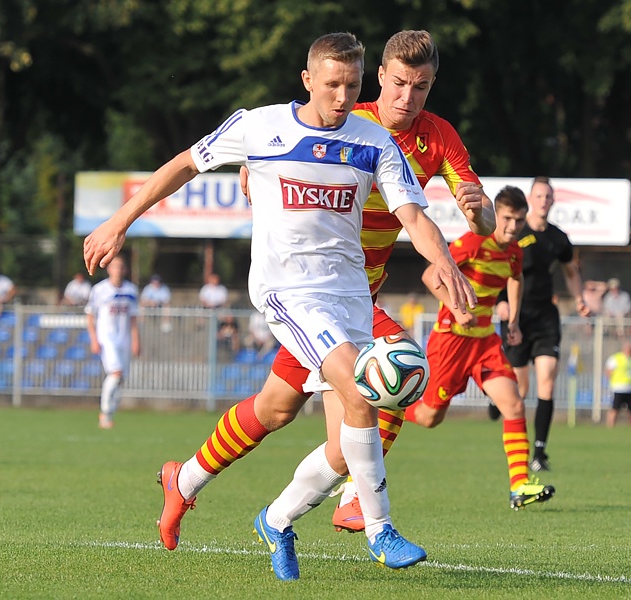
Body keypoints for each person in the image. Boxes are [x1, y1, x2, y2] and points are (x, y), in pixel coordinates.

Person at [82, 32, 480, 581]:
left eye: (352, 85)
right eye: (333, 84)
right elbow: (183, 165)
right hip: (289, 292)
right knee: (366, 392)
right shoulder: (260, 126)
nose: (342, 96)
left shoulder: (374, 142)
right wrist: (118, 220)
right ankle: (378, 526)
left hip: (350, 298)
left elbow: (414, 216)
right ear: (308, 80)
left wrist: (446, 262)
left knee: (283, 414)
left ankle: (213, 492)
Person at [407, 185, 555, 508]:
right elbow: (431, 275)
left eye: (518, 220)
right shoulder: (474, 242)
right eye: (506, 219)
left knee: (514, 405)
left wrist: (513, 321)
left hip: (485, 342)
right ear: (496, 215)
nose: (512, 227)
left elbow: (517, 279)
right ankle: (389, 408)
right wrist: (458, 308)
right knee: (430, 416)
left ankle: (520, 485)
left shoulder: (515, 251)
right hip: (452, 340)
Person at [489, 176, 590, 475]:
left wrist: (580, 298)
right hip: (517, 318)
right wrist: (499, 303)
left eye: (548, 196)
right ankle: (497, 401)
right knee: (519, 387)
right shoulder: (515, 233)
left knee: (547, 377)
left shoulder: (558, 238)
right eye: (539, 195)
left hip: (546, 316)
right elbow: (497, 269)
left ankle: (540, 452)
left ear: (553, 200)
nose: (544, 200)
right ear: (530, 200)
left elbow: (571, 271)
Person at [84, 256, 140, 429]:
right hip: (107, 338)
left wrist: (136, 340)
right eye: (114, 266)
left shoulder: (131, 290)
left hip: (124, 338)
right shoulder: (99, 289)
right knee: (115, 373)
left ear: (125, 270)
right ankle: (105, 412)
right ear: (108, 269)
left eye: (121, 266)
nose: (118, 270)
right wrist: (93, 339)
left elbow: (133, 318)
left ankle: (110, 412)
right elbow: (90, 315)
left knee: (120, 377)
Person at [605, 341, 631, 427]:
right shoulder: (616, 358)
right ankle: (610, 426)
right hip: (619, 388)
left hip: (630, 388)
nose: (630, 351)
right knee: (615, 409)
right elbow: (609, 371)